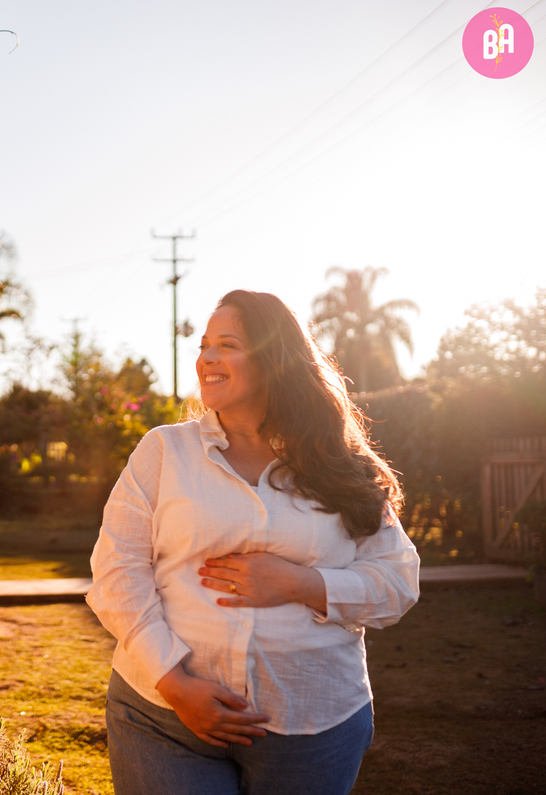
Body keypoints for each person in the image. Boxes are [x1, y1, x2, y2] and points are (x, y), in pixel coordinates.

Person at [86, 290, 419, 795]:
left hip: (312, 725)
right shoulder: (164, 452)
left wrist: (301, 583)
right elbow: (116, 571)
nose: (207, 358)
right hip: (162, 718)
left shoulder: (339, 465)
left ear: (274, 360)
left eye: (228, 344)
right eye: (204, 345)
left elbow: (397, 581)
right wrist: (175, 685)